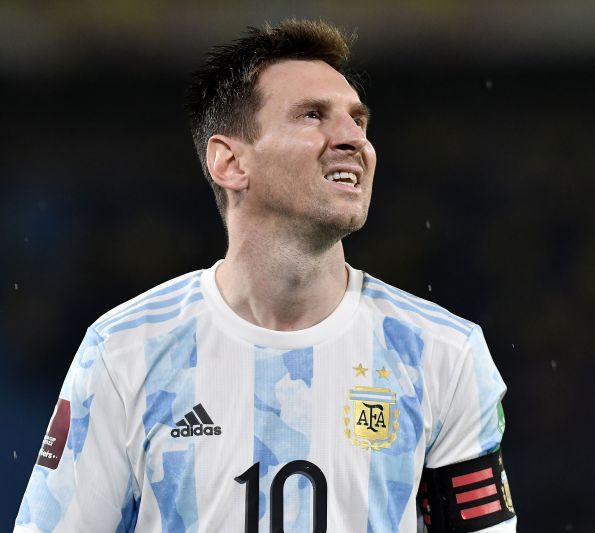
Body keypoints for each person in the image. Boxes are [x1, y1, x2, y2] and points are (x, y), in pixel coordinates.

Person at [14, 19, 516, 532]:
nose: (353, 140)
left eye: (358, 121)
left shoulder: (443, 353)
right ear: (230, 162)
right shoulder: (125, 350)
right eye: (312, 116)